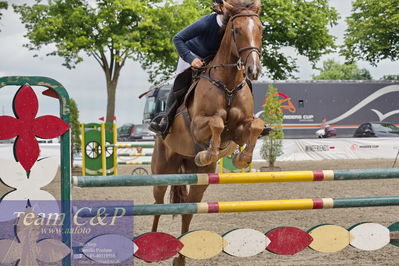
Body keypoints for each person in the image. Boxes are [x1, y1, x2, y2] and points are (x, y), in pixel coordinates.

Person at [149, 0, 227, 137]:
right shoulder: (207, 22)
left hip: (215, 61)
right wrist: (191, 59)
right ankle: (164, 122)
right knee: (180, 83)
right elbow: (178, 38)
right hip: (194, 55)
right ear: (220, 7)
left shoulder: (235, 24)